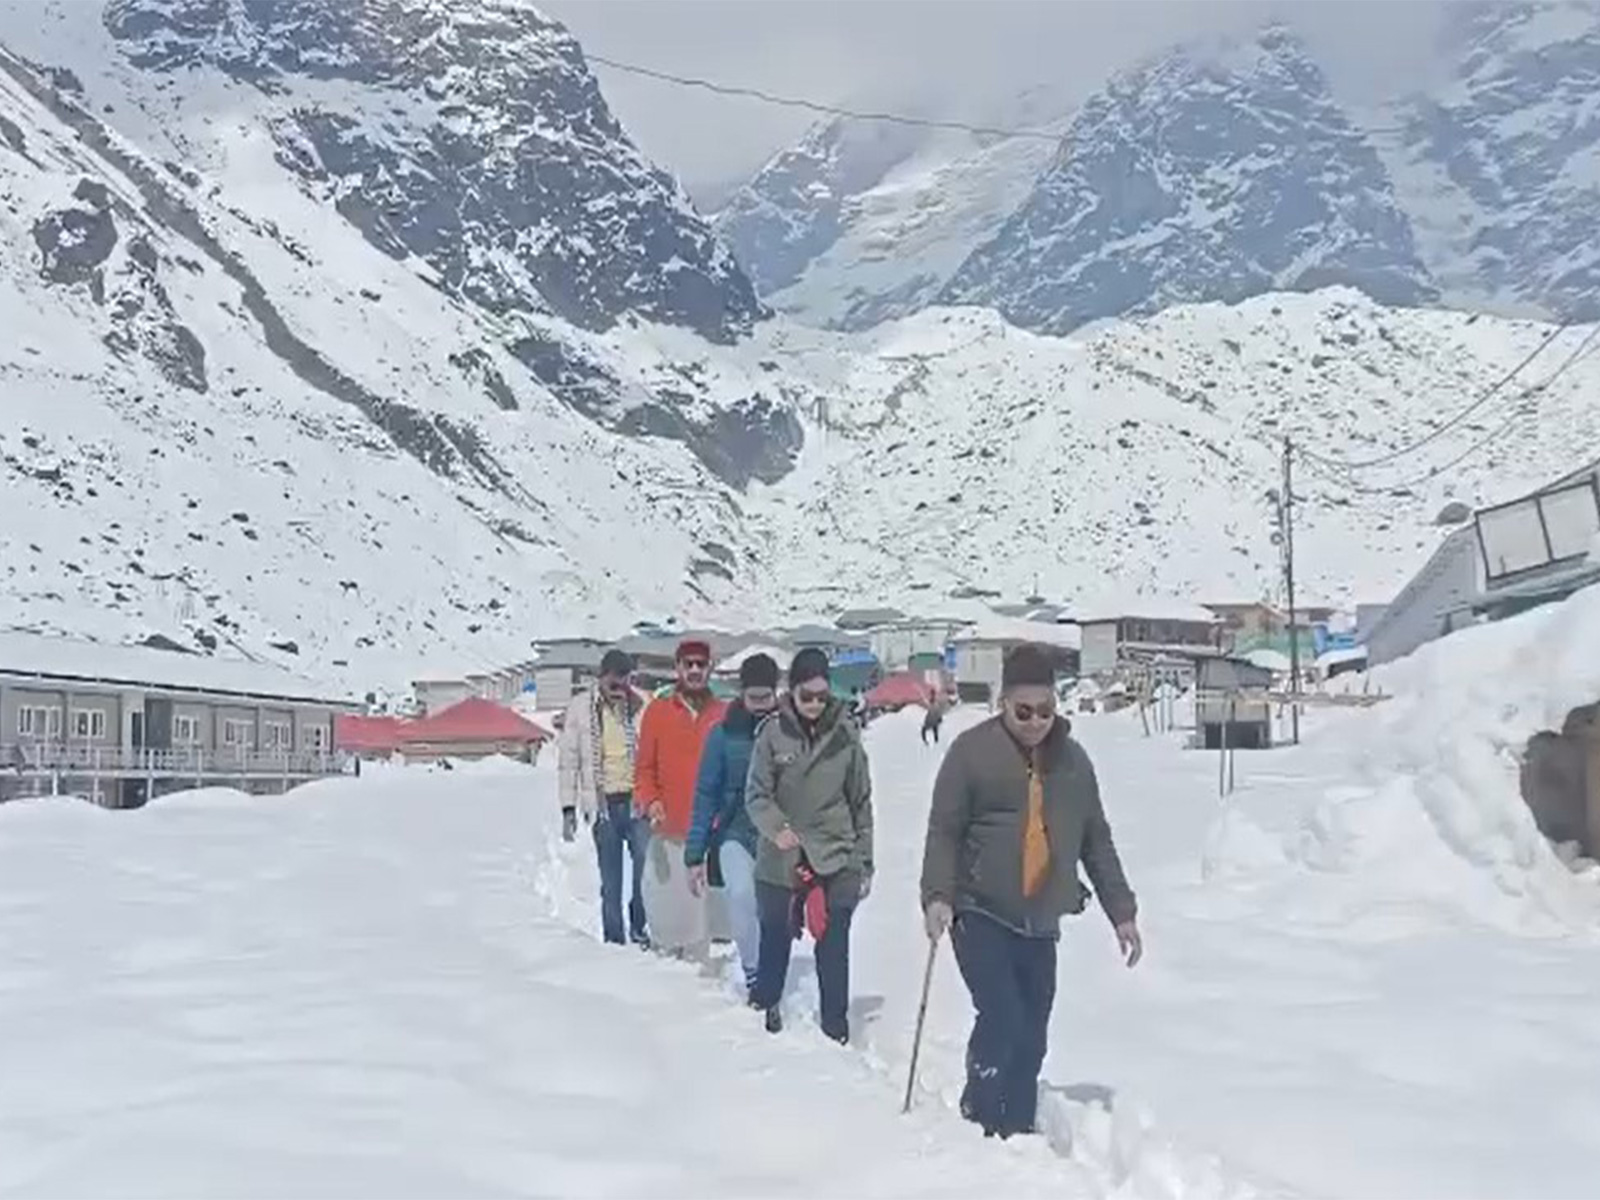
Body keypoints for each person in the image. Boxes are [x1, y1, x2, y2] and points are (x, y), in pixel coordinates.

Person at [920, 642, 1142, 1140]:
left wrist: (1121, 911)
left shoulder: (1073, 762)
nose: (1036, 721)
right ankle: (979, 1113)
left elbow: (1095, 839)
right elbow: (944, 831)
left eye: (1046, 711)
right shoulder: (971, 753)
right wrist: (938, 894)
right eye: (1024, 711)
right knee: (1001, 1014)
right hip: (979, 908)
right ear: (1003, 703)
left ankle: (1016, 1127)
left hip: (1042, 915)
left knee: (1034, 1031)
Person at [746, 648, 874, 1043]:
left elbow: (861, 801)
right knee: (775, 938)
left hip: (836, 856)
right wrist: (776, 827)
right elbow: (756, 794)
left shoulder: (846, 735)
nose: (816, 704)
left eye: (822, 696)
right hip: (780, 857)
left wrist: (864, 861)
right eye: (807, 696)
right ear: (792, 691)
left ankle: (835, 1030)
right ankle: (761, 1020)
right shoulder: (772, 734)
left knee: (834, 945)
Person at [685, 652, 780, 999]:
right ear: (741, 694)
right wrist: (695, 854)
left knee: (773, 910)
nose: (758, 705)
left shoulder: (789, 731)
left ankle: (774, 966)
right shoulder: (721, 736)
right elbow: (705, 794)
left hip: (777, 834)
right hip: (733, 832)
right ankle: (754, 971)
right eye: (751, 698)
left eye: (765, 698)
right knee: (741, 896)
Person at [634, 637, 727, 958]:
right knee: (667, 920)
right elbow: (644, 769)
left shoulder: (723, 715)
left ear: (710, 668)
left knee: (707, 927)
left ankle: (705, 994)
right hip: (669, 830)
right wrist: (651, 801)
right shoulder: (657, 713)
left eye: (701, 664)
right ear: (677, 668)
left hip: (710, 836)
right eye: (688, 664)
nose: (695, 670)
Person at [559, 648, 650, 948]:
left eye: (624, 681)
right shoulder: (582, 709)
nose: (618, 688)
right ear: (601, 678)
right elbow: (569, 759)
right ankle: (614, 940)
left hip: (637, 801)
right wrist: (568, 808)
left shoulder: (639, 706)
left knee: (645, 868)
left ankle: (639, 925)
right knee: (611, 881)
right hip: (603, 805)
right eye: (613, 682)